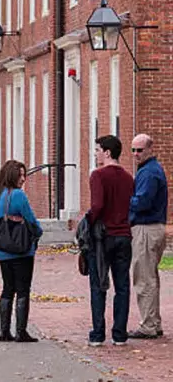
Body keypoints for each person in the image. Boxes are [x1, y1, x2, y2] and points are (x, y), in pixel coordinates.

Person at [79, 135, 135, 346]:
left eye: (97, 150)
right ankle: (119, 334)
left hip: (103, 238)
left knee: (98, 284)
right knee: (122, 286)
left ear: (107, 152)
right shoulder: (129, 178)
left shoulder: (98, 175)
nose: (95, 154)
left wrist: (88, 221)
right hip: (124, 235)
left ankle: (98, 334)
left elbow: (97, 206)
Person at [0, 160, 42, 343]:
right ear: (11, 175)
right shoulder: (18, 195)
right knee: (22, 290)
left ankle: (4, 331)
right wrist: (38, 232)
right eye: (19, 175)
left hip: (2, 250)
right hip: (21, 250)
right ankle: (21, 331)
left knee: (7, 288)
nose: (22, 179)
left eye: (24, 175)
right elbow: (31, 219)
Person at [128, 134, 169, 339]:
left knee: (144, 278)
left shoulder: (149, 173)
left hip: (146, 228)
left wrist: (123, 202)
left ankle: (149, 325)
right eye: (133, 150)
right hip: (153, 228)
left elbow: (141, 202)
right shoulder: (149, 170)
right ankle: (154, 322)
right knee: (150, 276)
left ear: (150, 150)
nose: (136, 154)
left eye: (140, 150)